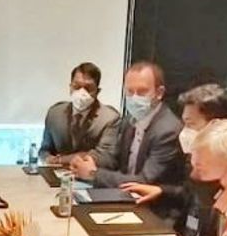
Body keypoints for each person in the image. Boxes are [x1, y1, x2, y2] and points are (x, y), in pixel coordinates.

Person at [121, 82, 227, 236]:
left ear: (215, 126)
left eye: (190, 124)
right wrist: (161, 191)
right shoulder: (193, 158)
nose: (184, 131)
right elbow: (190, 193)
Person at [69, 61, 186, 204]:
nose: (134, 98)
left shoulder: (168, 130)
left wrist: (93, 174)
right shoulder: (130, 120)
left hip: (154, 207)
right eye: (130, 92)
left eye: (142, 92)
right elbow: (115, 159)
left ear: (159, 93)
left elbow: (144, 182)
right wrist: (90, 161)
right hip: (124, 196)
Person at [38, 62, 120, 169]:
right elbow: (44, 150)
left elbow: (104, 157)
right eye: (76, 86)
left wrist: (60, 160)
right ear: (70, 87)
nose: (81, 92)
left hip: (90, 177)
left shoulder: (110, 118)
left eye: (88, 88)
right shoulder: (55, 113)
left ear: (97, 91)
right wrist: (47, 158)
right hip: (56, 176)